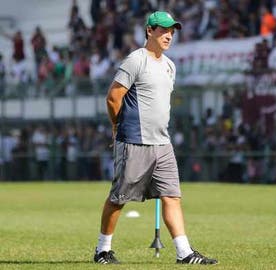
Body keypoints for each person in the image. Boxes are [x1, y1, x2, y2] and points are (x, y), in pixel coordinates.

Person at [93, 11, 217, 265]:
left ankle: (184, 253)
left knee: (172, 196)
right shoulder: (135, 60)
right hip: (134, 141)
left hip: (163, 143)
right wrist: (118, 127)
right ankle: (102, 251)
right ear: (150, 31)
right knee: (118, 199)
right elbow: (113, 98)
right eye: (163, 29)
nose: (169, 34)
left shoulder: (170, 65)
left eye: (172, 30)